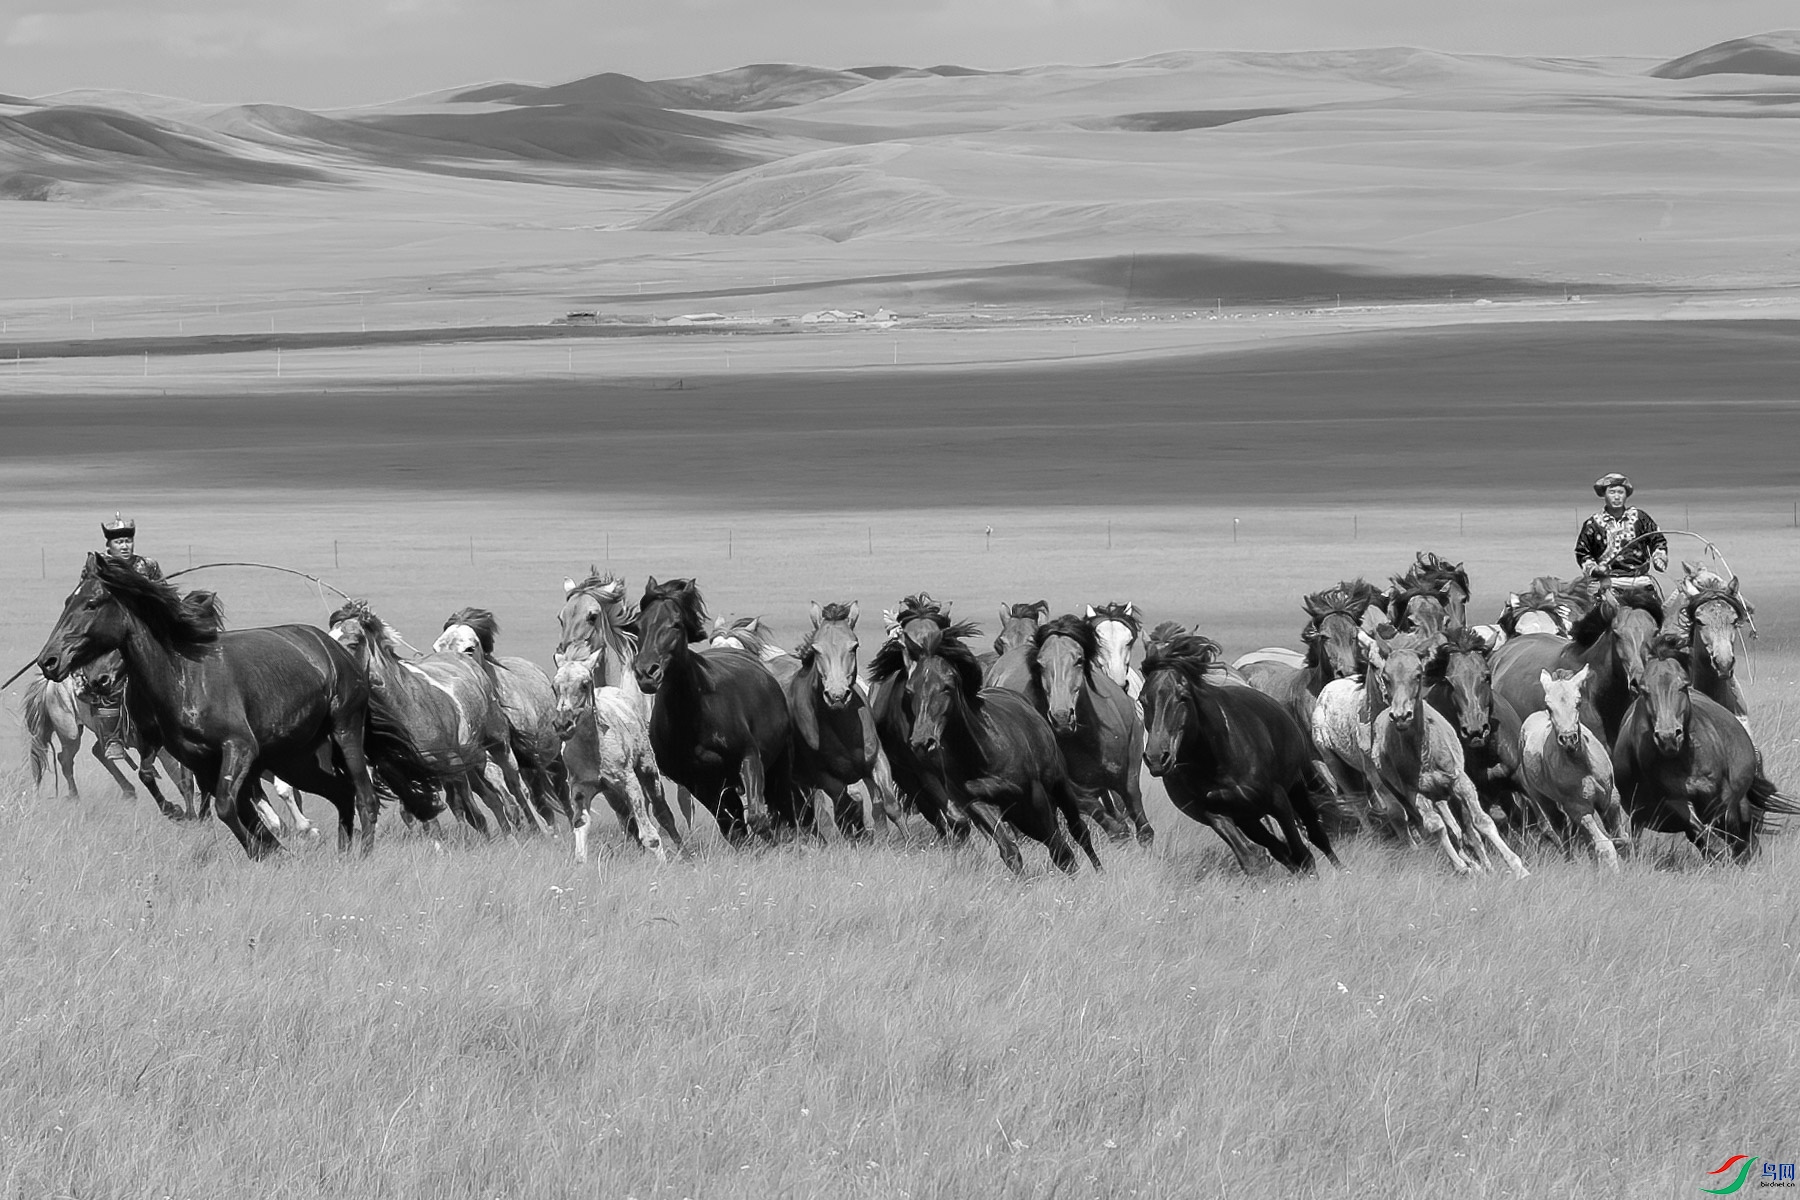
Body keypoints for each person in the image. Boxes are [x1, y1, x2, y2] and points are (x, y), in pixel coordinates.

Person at [86, 514, 163, 760]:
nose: (125, 545)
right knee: (106, 679)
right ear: (108, 545)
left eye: (128, 540)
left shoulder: (147, 565)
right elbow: (86, 603)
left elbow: (164, 598)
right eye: (119, 542)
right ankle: (111, 739)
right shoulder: (97, 567)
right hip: (111, 638)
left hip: (147, 635)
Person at [1574, 473, 1667, 589]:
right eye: (1612, 492)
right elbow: (1582, 552)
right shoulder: (1592, 524)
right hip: (1606, 581)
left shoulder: (1640, 518)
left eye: (1620, 492)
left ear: (1626, 495)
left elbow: (1657, 539)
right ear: (1604, 494)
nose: (1617, 497)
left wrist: (1658, 558)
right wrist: (1595, 569)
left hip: (1639, 580)